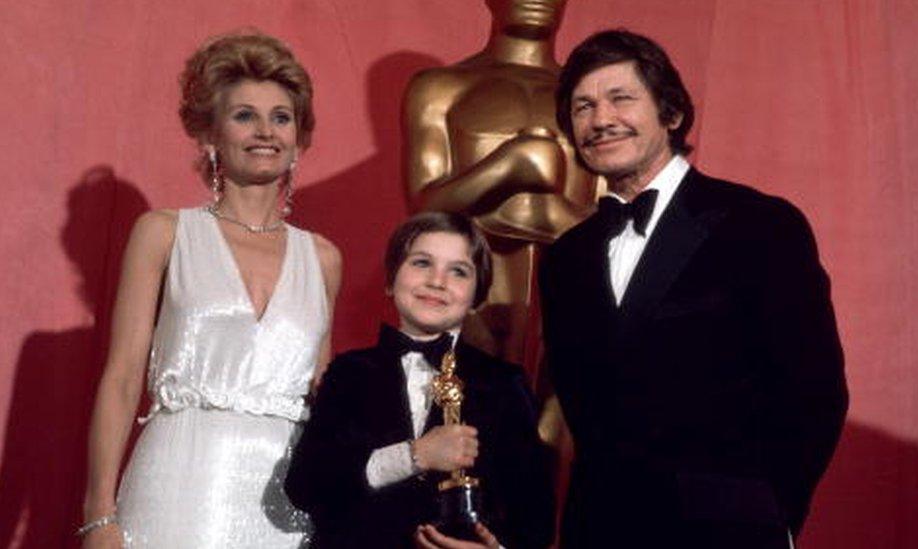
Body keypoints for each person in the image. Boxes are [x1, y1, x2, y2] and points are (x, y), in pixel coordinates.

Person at [539, 30, 848, 548]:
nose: (600, 119)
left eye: (621, 98)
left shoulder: (760, 225)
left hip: (728, 531)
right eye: (582, 107)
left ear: (672, 113)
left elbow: (815, 392)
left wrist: (776, 519)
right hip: (599, 529)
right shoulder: (565, 258)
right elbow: (582, 413)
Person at [79, 31, 341, 548]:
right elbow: (123, 376)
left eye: (281, 117)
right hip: (179, 482)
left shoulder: (324, 258)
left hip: (286, 502)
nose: (265, 131)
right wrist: (98, 513)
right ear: (210, 134)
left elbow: (324, 399)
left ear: (299, 138)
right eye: (244, 115)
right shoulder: (164, 232)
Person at [285, 212, 554, 548]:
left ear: (477, 297)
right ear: (390, 280)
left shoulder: (503, 384)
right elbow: (306, 485)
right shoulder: (348, 373)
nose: (437, 281)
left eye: (458, 271)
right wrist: (416, 455)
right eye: (422, 263)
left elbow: (536, 520)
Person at [403, 0, 596, 366]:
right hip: (471, 285)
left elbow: (611, 226)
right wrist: (508, 166)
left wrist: (549, 211)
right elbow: (423, 210)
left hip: (570, 293)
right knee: (465, 409)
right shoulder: (440, 88)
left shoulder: (590, 99)